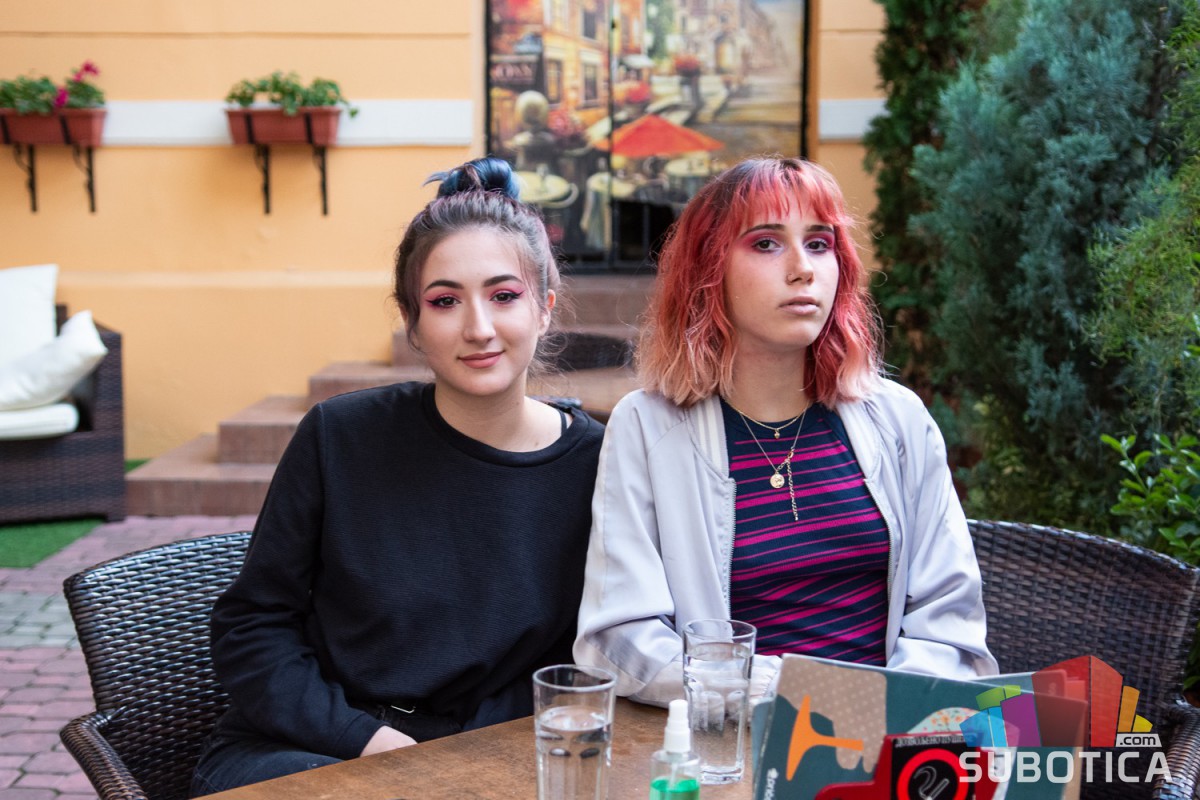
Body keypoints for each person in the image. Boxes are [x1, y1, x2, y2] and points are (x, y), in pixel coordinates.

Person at [190, 157, 605, 795]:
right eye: (444, 301)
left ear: (545, 308)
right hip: (313, 746)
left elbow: (584, 654)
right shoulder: (340, 435)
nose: (479, 328)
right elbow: (252, 624)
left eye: (504, 295)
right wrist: (369, 741)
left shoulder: (597, 464)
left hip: (486, 758)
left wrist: (452, 762)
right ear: (412, 322)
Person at [573, 156, 998, 707]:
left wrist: (884, 706)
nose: (802, 269)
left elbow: (949, 621)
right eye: (767, 243)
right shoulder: (648, 428)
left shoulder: (899, 419)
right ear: (708, 270)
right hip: (734, 736)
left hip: (893, 729)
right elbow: (620, 641)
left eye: (819, 244)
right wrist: (789, 693)